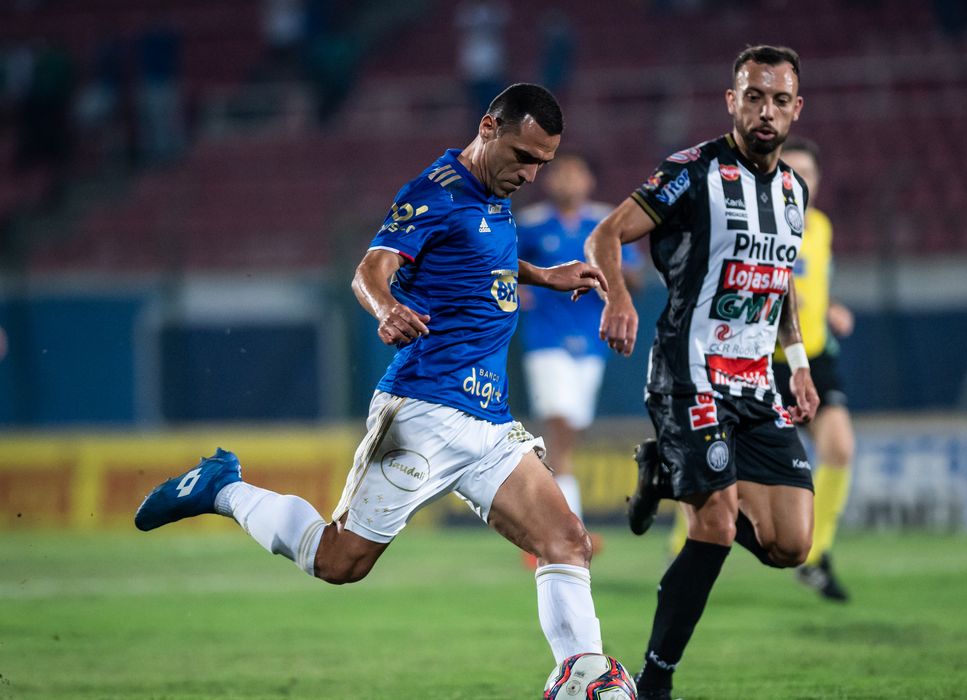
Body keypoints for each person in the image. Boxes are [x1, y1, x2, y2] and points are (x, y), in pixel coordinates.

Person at [135, 83, 612, 668]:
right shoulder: (433, 192)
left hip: (489, 421)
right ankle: (222, 488)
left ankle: (585, 680)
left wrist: (542, 274)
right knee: (339, 562)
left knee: (567, 541)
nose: (533, 174)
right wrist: (386, 307)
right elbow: (371, 268)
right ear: (488, 128)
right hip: (424, 409)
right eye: (524, 156)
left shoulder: (493, 189)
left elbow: (477, 256)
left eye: (544, 162)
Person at [585, 45, 818, 700]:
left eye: (778, 100)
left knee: (790, 545)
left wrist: (795, 363)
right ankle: (655, 681)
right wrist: (620, 296)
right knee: (713, 525)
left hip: (759, 386)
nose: (765, 111)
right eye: (753, 96)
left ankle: (668, 472)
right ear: (731, 101)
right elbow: (604, 234)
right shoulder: (692, 173)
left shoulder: (795, 193)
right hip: (691, 374)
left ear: (796, 109)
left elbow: (780, 287)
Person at [516, 154, 642, 561]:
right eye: (560, 172)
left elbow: (636, 277)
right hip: (546, 340)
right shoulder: (533, 222)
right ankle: (568, 530)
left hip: (591, 344)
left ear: (589, 180)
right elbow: (497, 264)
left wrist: (610, 276)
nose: (568, 179)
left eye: (576, 171)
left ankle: (546, 529)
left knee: (568, 436)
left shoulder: (604, 225)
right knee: (561, 431)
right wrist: (518, 290)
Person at [770, 136, 856, 602]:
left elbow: (812, 285)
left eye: (809, 172)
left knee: (839, 448)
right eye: (791, 170)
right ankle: (683, 545)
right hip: (762, 360)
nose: (800, 180)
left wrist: (829, 309)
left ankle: (814, 555)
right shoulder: (757, 223)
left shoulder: (820, 227)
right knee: (722, 465)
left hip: (815, 356)